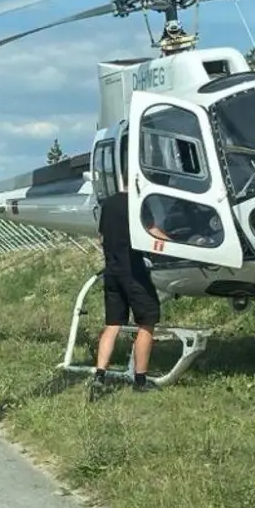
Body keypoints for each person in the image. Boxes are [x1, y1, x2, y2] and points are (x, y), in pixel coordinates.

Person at [91, 153, 170, 396]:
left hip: (112, 272)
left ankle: (99, 375)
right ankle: (140, 380)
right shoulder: (138, 205)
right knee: (147, 322)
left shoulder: (108, 204)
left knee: (112, 324)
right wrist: (178, 243)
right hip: (134, 272)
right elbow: (152, 231)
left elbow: (102, 237)